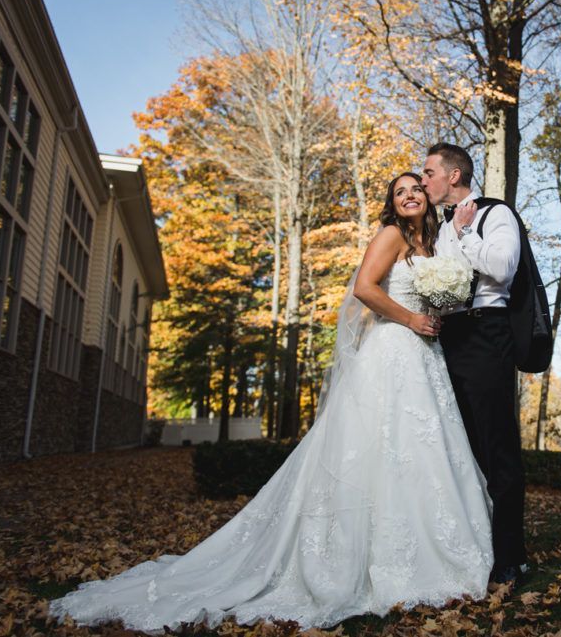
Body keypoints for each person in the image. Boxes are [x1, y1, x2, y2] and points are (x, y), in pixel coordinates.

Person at [48, 173, 493, 633]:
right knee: (378, 449)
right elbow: (365, 288)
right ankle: (363, 559)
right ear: (392, 204)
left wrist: (437, 307)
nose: (409, 196)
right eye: (399, 192)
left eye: (415, 188)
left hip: (424, 360)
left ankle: (424, 551)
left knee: (419, 453)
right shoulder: (391, 235)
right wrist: (412, 319)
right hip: (392, 353)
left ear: (426, 196)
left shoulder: (432, 246)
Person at [420, 143, 528, 585]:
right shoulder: (439, 228)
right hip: (450, 337)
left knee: (495, 444)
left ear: (454, 175)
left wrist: (466, 234)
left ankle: (511, 556)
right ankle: (472, 545)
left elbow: (503, 269)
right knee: (460, 446)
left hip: (487, 334)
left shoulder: (494, 214)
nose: (423, 180)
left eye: (429, 173)